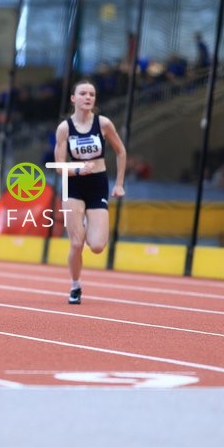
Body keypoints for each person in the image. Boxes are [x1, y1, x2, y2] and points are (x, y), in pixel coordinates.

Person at [54, 79, 126, 305]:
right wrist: (76, 169)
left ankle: (85, 224)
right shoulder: (65, 128)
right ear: (73, 98)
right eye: (83, 93)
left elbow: (121, 151)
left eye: (92, 94)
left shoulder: (103, 124)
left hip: (97, 184)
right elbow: (58, 166)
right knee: (76, 244)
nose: (88, 98)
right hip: (73, 185)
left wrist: (119, 184)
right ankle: (75, 285)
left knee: (96, 246)